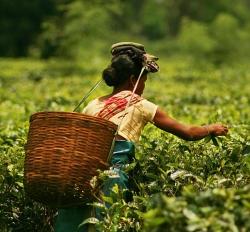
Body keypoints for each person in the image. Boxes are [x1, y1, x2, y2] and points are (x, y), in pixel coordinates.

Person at [54, 42, 228, 232]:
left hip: (82, 176)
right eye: (143, 81)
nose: (144, 86)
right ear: (132, 80)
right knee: (108, 223)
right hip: (112, 176)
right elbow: (188, 133)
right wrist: (210, 128)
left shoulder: (94, 104)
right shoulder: (140, 104)